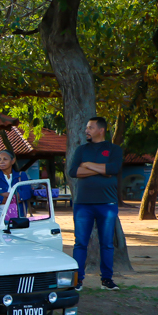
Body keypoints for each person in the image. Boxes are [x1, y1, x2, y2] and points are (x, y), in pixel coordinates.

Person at [67, 116, 123, 290]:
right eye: (87, 127)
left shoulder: (114, 149)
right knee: (80, 243)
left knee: (106, 243)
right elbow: (73, 171)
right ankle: (77, 280)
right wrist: (101, 170)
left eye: (90, 127)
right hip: (83, 204)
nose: (87, 130)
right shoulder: (81, 150)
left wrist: (88, 165)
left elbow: (113, 169)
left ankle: (107, 280)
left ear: (101, 130)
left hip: (107, 204)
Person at [0, 149, 31, 217]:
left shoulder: (21, 175)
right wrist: (15, 198)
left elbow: (27, 193)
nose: (1, 162)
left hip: (18, 214)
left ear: (13, 161)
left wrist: (5, 195)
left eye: (5, 159)